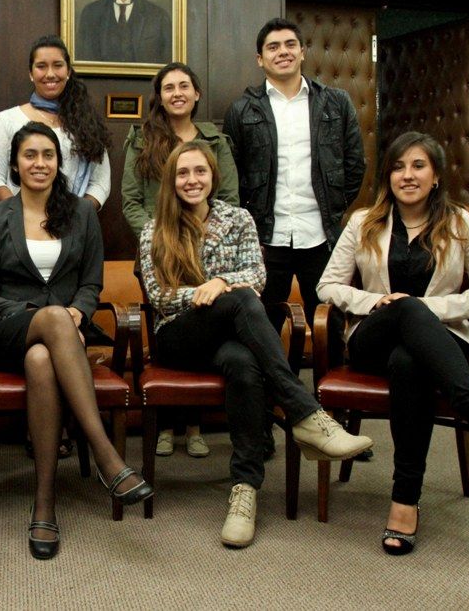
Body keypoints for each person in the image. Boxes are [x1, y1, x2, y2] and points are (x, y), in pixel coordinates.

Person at [317, 131, 469, 555]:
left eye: (418, 165)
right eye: (398, 167)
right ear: (388, 176)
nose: (407, 175)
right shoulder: (363, 221)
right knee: (405, 315)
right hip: (372, 338)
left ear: (437, 176)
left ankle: (404, 500)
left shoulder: (464, 222)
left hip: (438, 342)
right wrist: (378, 302)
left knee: (410, 361)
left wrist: (429, 309)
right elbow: (328, 286)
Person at [138, 140, 373, 549]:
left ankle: (244, 490)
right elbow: (160, 296)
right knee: (242, 300)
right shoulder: (155, 227)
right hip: (178, 337)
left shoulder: (239, 218)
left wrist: (221, 283)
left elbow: (257, 274)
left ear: (213, 176)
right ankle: (305, 412)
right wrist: (208, 292)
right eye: (182, 173)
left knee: (243, 363)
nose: (192, 180)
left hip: (230, 340)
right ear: (171, 181)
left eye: (200, 171)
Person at [0, 122, 153, 560]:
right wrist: (47, 315)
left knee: (41, 359)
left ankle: (44, 505)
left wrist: (79, 312)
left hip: (62, 337)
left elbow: (91, 284)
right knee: (49, 323)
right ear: (15, 164)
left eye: (48, 155)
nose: (40, 163)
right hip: (3, 332)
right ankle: (107, 456)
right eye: (30, 155)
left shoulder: (81, 214)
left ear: (59, 162)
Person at [123, 61, 239, 459]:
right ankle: (166, 424)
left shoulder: (215, 140)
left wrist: (201, 238)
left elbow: (229, 199)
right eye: (169, 87)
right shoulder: (142, 138)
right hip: (158, 254)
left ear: (196, 94)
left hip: (209, 253)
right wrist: (161, 238)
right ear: (160, 96)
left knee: (202, 332)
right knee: (168, 337)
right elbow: (131, 200)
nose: (177, 93)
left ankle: (193, 426)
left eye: (184, 86)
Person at [223, 17, 366, 331]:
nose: (283, 52)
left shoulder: (336, 103)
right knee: (261, 324)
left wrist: (335, 206)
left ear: (302, 52)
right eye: (273, 47)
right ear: (260, 59)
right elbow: (231, 174)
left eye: (290, 45)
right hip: (265, 237)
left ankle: (329, 367)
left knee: (330, 324)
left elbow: (355, 165)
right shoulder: (242, 110)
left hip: (320, 234)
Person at [0, 35, 111, 210]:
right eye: (41, 66)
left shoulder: (87, 122)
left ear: (68, 72)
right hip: (16, 221)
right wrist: (21, 217)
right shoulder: (7, 120)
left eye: (58, 65)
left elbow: (100, 182)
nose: (50, 74)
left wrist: (77, 217)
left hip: (72, 221)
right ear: (31, 74)